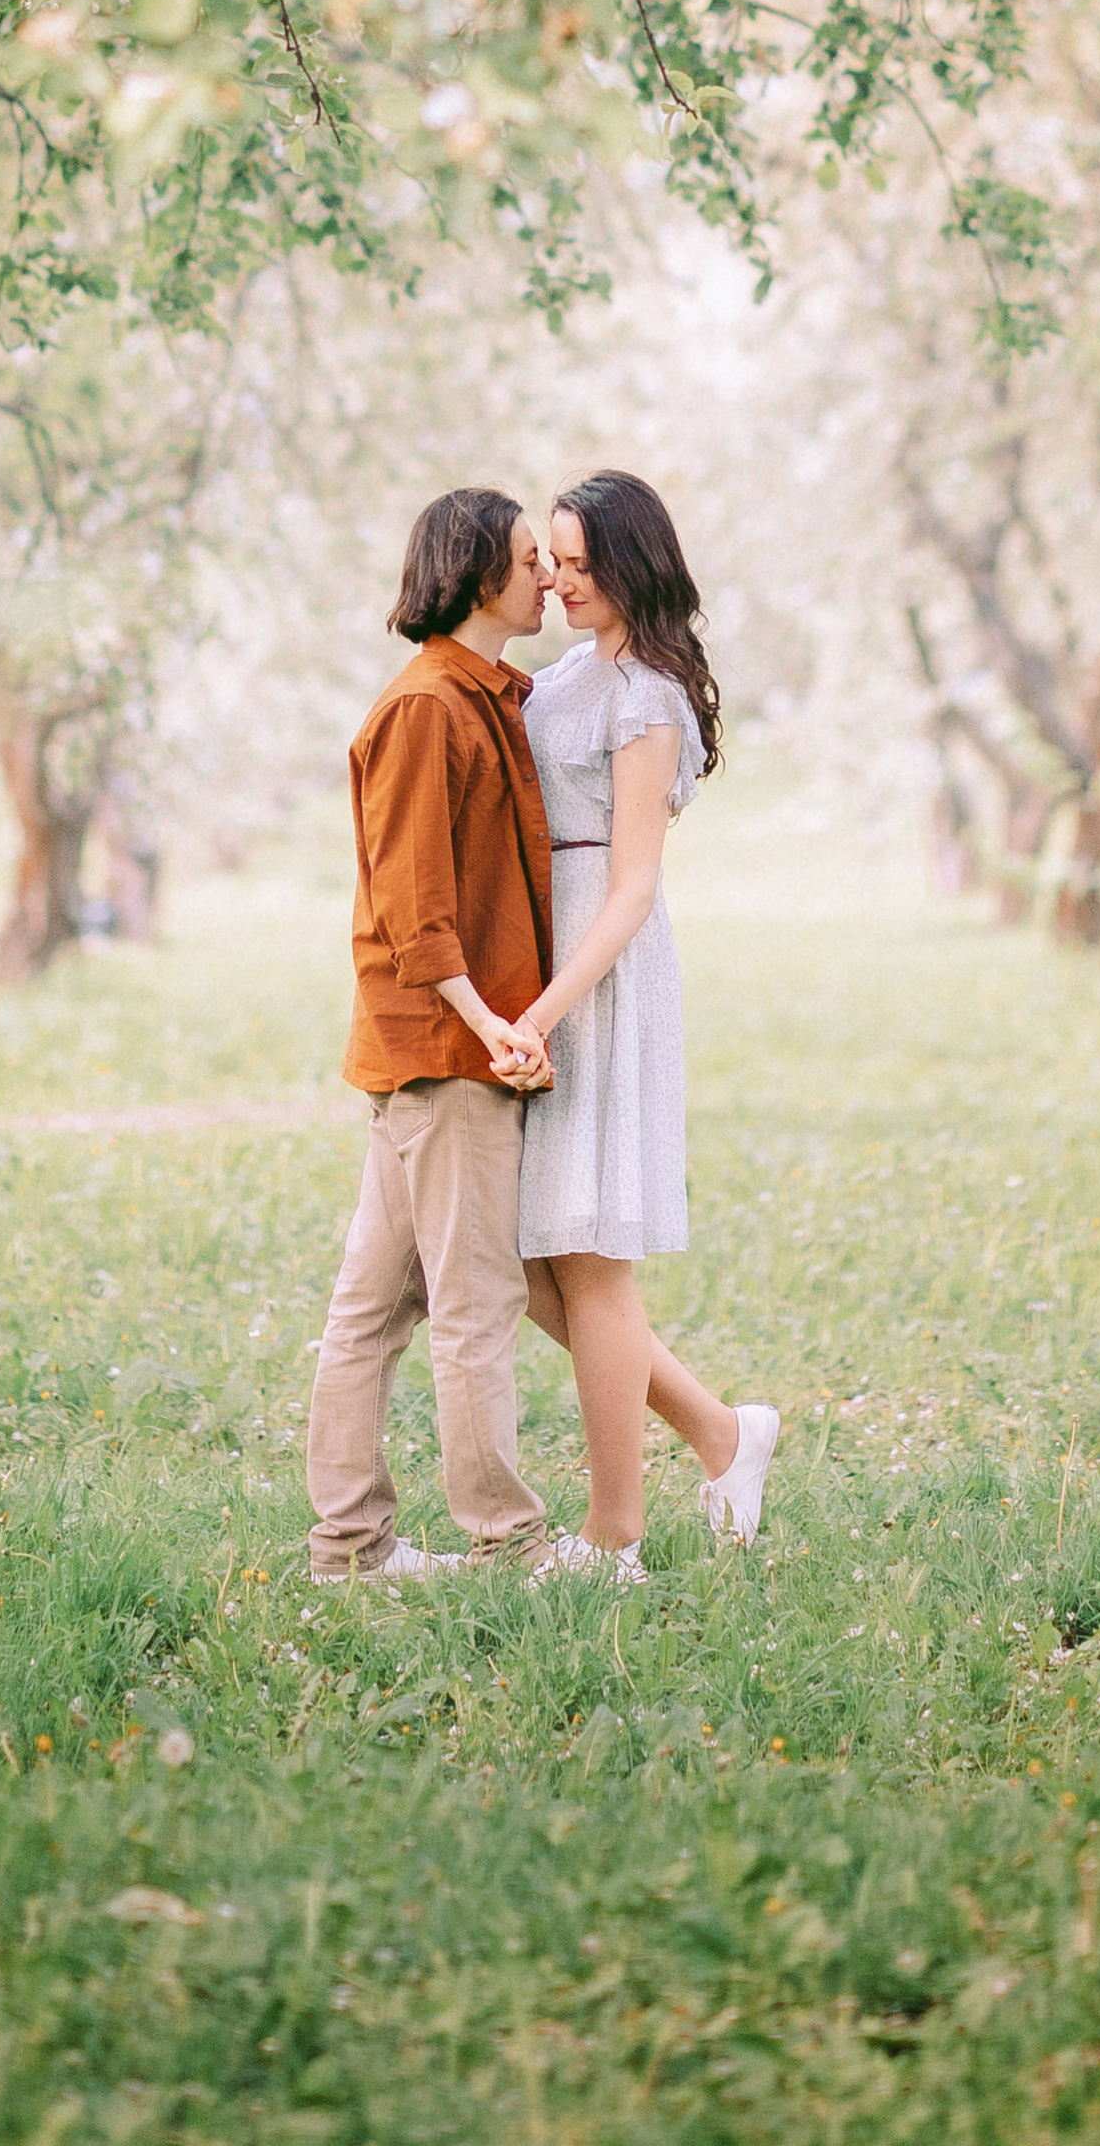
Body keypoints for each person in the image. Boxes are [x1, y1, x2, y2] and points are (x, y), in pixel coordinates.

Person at [491, 470, 779, 1583]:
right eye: (548, 562)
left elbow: (628, 889)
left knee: (587, 1259)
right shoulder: (561, 675)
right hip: (537, 960)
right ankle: (721, 1431)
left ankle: (615, 1534)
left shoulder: (647, 695)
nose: (557, 581)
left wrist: (543, 1012)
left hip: (596, 975)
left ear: (629, 562)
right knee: (528, 1260)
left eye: (575, 562)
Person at [304, 487, 560, 1583]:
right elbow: (416, 914)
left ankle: (350, 1549)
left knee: (374, 1309)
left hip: (443, 1051)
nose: (549, 575)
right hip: (446, 1056)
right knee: (472, 1310)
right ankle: (509, 1544)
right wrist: (492, 1028)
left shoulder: (484, 697)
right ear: (472, 576)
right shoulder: (425, 710)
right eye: (529, 559)